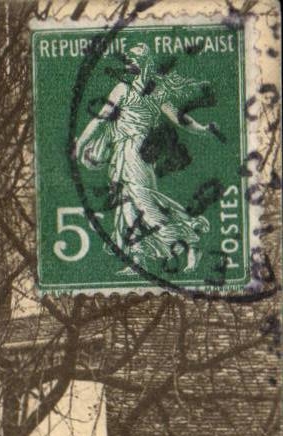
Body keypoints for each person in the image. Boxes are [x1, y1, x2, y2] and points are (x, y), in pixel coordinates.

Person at [73, 42, 225, 276]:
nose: (129, 66)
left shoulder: (156, 93)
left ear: (144, 65)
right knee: (126, 207)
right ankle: (139, 260)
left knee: (144, 203)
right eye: (129, 62)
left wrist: (203, 129)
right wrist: (81, 143)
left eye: (134, 62)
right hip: (121, 153)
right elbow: (99, 119)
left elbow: (180, 119)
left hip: (138, 151)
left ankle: (189, 240)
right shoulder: (121, 90)